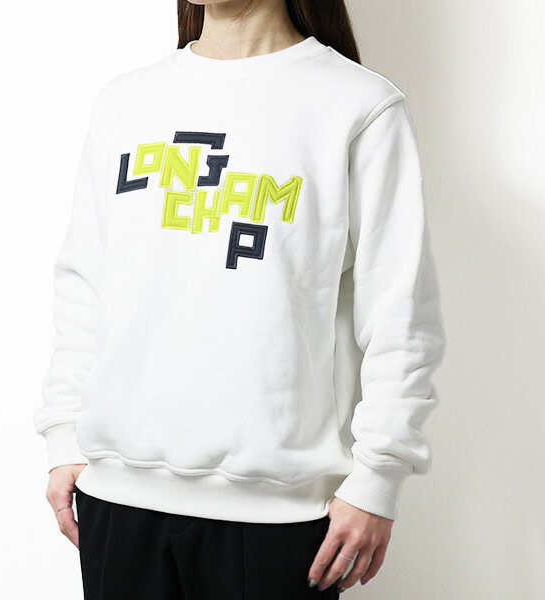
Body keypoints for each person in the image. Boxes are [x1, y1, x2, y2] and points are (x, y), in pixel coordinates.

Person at [33, 0, 447, 598]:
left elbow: (401, 313)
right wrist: (63, 438)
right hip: (116, 501)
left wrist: (377, 478)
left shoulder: (357, 104)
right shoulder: (126, 101)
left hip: (280, 519)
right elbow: (84, 285)